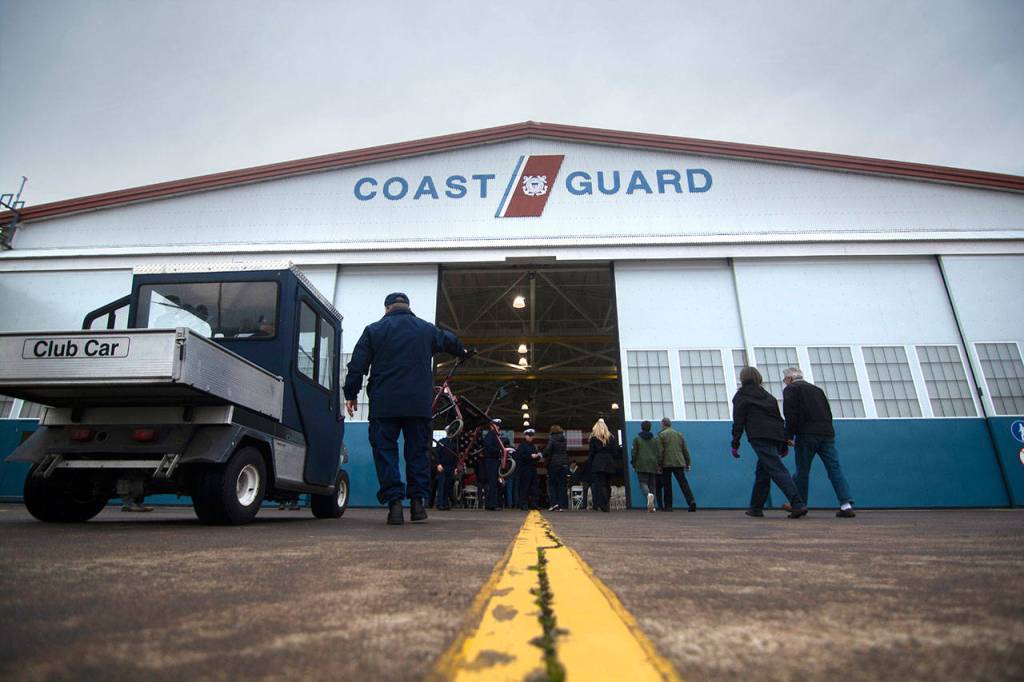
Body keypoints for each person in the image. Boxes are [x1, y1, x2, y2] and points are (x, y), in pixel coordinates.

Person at [344, 292, 468, 525]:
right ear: (408, 307)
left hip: (384, 404)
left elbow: (357, 365)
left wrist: (351, 394)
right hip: (417, 404)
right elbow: (449, 339)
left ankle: (395, 507)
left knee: (385, 453)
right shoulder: (426, 329)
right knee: (418, 453)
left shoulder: (373, 330)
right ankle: (418, 506)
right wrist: (462, 352)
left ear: (386, 308)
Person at [731, 367, 808, 518]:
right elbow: (778, 419)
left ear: (743, 379)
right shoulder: (768, 396)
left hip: (758, 435)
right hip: (775, 435)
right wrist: (784, 441)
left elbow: (738, 421)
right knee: (763, 470)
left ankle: (797, 503)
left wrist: (735, 443)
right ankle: (756, 507)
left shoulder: (741, 396)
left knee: (775, 468)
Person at [782, 367, 856, 518]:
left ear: (789, 379)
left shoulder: (791, 390)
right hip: (826, 433)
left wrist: (789, 435)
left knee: (802, 470)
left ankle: (799, 504)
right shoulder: (818, 390)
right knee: (834, 469)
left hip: (806, 434)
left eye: (784, 380)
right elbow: (828, 412)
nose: (784, 383)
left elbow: (791, 415)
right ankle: (846, 504)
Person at [657, 417, 697, 512]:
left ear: (663, 424)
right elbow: (685, 450)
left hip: (667, 463)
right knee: (683, 483)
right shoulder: (679, 434)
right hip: (679, 462)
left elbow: (660, 451)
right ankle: (691, 501)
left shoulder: (661, 435)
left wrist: (659, 464)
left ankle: (668, 506)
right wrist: (688, 462)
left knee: (667, 485)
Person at [588, 418, 619, 513]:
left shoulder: (593, 438)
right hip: (609, 462)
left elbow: (591, 453)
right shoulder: (611, 438)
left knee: (600, 484)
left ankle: (602, 504)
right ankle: (606, 503)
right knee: (607, 484)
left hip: (598, 462)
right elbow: (615, 452)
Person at [631, 420, 660, 512]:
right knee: (652, 485)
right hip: (653, 464)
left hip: (641, 463)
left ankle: (648, 495)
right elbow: (658, 452)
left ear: (641, 427)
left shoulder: (637, 438)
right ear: (650, 427)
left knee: (643, 483)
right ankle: (653, 506)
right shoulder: (655, 439)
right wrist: (658, 463)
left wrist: (633, 463)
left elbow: (634, 452)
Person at [480, 421, 505, 511]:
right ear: (491, 426)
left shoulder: (495, 436)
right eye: (496, 425)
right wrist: (499, 450)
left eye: (498, 426)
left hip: (494, 460)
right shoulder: (491, 435)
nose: (498, 427)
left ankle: (491, 503)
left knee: (494, 482)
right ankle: (492, 504)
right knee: (492, 482)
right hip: (491, 460)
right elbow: (488, 446)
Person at [543, 425, 569, 511]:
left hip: (554, 464)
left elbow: (547, 451)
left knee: (552, 485)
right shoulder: (564, 440)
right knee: (562, 485)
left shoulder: (552, 439)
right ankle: (561, 505)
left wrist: (543, 453)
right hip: (564, 464)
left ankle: (554, 504)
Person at [515, 428, 541, 510]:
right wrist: (530, 456)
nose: (530, 437)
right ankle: (523, 504)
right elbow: (519, 457)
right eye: (529, 435)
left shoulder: (533, 446)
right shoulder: (522, 446)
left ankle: (534, 504)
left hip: (532, 468)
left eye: (531, 436)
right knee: (524, 487)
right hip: (525, 469)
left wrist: (537, 456)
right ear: (525, 436)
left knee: (534, 488)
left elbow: (535, 456)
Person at [434, 436, 458, 510]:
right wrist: (438, 464)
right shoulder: (442, 441)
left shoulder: (454, 443)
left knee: (448, 485)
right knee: (441, 485)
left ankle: (445, 503)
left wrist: (455, 467)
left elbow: (455, 456)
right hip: (443, 465)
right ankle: (440, 503)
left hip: (450, 466)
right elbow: (437, 453)